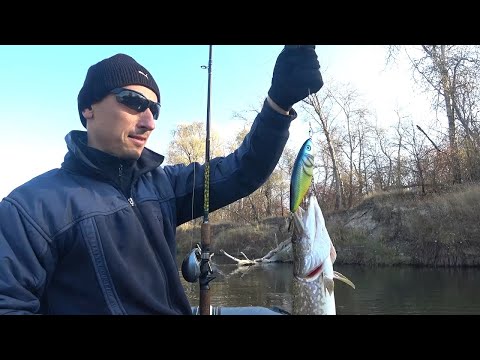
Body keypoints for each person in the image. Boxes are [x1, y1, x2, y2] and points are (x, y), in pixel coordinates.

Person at [0, 45, 323, 315]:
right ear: (88, 107)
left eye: (155, 109)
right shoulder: (29, 207)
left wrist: (278, 105)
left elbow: (244, 171)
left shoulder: (164, 185)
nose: (149, 120)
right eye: (133, 102)